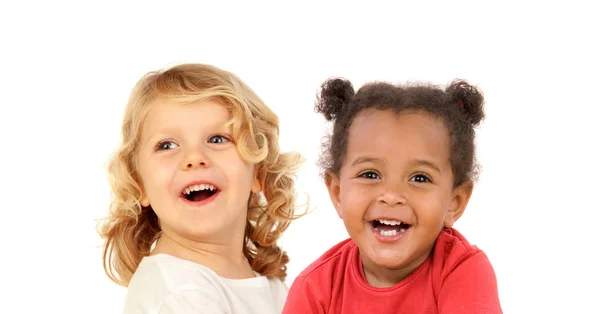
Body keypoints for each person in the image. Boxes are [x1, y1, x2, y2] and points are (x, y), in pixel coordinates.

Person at [283, 78, 502, 313]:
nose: (391, 195)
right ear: (337, 193)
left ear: (454, 202)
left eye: (420, 178)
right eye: (370, 174)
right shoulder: (315, 288)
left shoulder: (461, 269)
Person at [97, 63, 303, 314]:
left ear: (257, 172)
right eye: (167, 145)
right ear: (139, 183)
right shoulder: (179, 292)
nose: (194, 157)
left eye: (217, 139)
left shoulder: (270, 287)